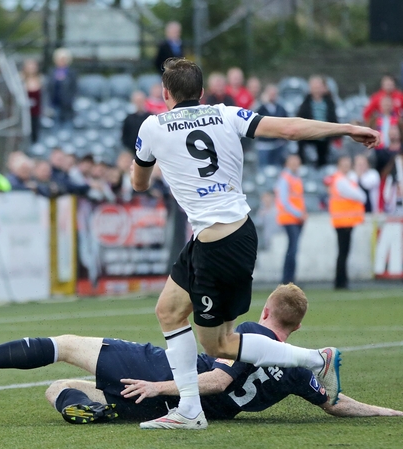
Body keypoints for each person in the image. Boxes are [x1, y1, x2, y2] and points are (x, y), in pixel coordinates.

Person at [130, 57, 380, 429]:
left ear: (164, 94)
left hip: (218, 246)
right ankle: (189, 410)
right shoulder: (226, 113)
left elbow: (139, 184)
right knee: (168, 311)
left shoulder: (152, 126)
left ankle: (316, 359)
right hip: (228, 235)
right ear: (201, 93)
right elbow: (291, 129)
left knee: (220, 345)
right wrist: (346, 127)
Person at [0, 284, 402, 424]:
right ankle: (102, 411)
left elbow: (219, 379)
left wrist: (160, 384)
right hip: (185, 404)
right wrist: (390, 412)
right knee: (58, 389)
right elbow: (337, 404)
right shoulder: (299, 370)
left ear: (266, 311)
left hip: (167, 379)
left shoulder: (250, 333)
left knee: (64, 347)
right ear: (297, 328)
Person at [328, 155, 366, 290]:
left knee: (343, 252)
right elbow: (360, 196)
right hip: (343, 222)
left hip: (345, 221)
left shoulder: (344, 179)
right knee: (343, 252)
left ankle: (342, 281)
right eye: (344, 164)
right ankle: (340, 282)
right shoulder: (341, 180)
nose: (347, 166)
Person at [275, 154, 306, 284]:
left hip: (296, 219)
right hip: (289, 218)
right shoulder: (285, 178)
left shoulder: (295, 177)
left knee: (293, 248)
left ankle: (289, 279)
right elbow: (284, 202)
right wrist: (299, 213)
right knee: (292, 249)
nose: (295, 164)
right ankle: (288, 279)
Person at [296, 75, 338, 168]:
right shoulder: (306, 102)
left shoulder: (329, 102)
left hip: (324, 135)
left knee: (323, 158)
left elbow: (333, 118)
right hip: (309, 135)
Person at [255, 84, 289, 167]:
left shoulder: (280, 108)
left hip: (277, 144)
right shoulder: (260, 107)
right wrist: (262, 103)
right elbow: (252, 116)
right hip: (264, 145)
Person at [47, 48, 77, 128]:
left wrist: (70, 101)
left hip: (67, 106)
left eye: (64, 59)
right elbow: (49, 88)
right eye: (60, 59)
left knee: (68, 126)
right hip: (55, 104)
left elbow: (74, 89)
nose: (61, 61)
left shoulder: (71, 73)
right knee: (55, 126)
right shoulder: (52, 72)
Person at [21, 59, 42, 143]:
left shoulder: (40, 79)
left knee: (35, 132)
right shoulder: (21, 79)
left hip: (36, 112)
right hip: (24, 113)